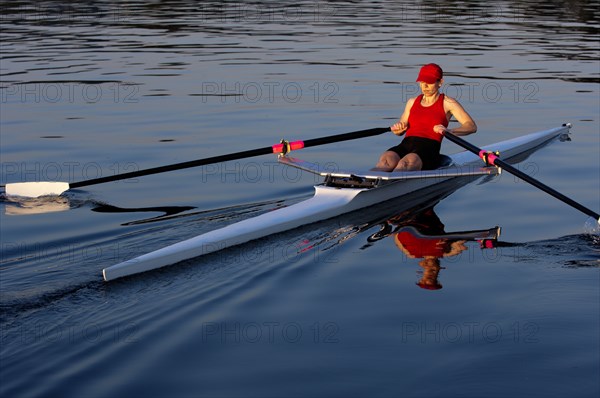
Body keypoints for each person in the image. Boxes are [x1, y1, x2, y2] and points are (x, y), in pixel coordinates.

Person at [374, 63, 477, 171]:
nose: (425, 86)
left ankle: (393, 183)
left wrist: (449, 131)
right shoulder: (412, 102)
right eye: (422, 82)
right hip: (406, 144)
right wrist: (398, 129)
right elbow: (400, 132)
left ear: (440, 82)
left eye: (429, 82)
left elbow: (471, 126)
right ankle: (365, 182)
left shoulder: (448, 103)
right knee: (386, 159)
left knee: (406, 162)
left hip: (429, 149)